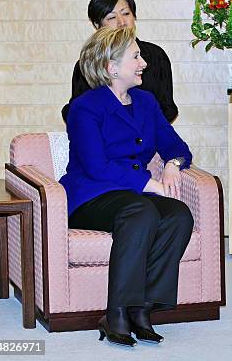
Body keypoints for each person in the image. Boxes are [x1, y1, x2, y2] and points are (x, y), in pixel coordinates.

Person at [60, 26, 193, 347]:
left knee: (179, 215)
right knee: (142, 210)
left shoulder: (146, 103)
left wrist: (174, 166)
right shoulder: (84, 108)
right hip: (90, 196)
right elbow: (96, 166)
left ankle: (143, 308)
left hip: (131, 196)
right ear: (111, 67)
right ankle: (116, 312)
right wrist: (151, 183)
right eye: (135, 56)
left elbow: (178, 147)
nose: (143, 62)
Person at [61, 0, 178, 123]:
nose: (122, 22)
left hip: (148, 139)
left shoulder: (156, 55)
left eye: (126, 13)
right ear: (97, 25)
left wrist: (140, 130)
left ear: (134, 16)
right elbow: (76, 112)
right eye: (111, 17)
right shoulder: (88, 63)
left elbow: (168, 108)